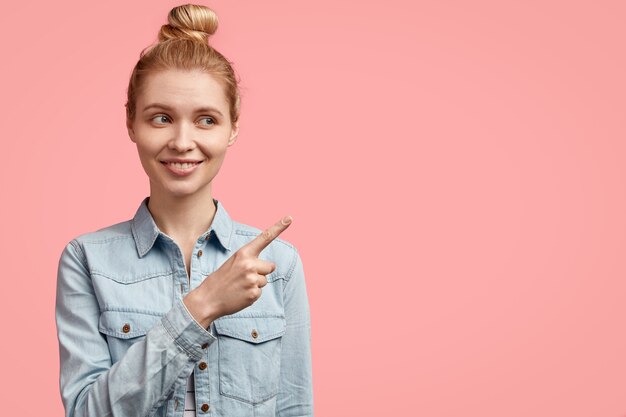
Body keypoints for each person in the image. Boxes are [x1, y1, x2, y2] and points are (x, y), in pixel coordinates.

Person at [54, 4, 313, 417]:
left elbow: (295, 408)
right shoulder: (87, 260)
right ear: (131, 122)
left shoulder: (278, 264)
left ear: (233, 127)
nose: (182, 140)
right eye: (161, 118)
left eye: (206, 120)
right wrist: (201, 306)